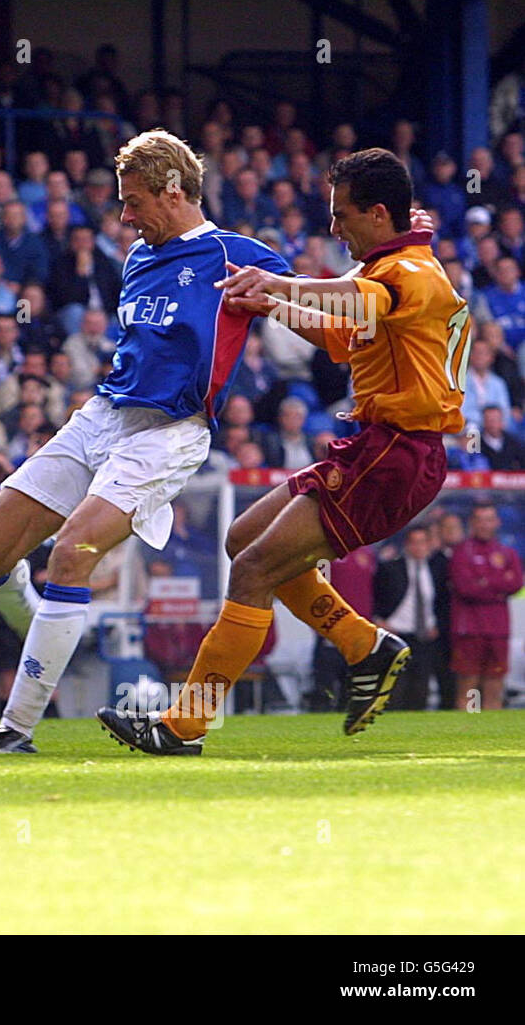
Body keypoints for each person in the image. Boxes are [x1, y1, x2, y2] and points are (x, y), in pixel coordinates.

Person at [99, 147, 464, 754]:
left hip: (396, 451)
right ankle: (361, 645)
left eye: (341, 214)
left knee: (251, 571)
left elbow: (356, 303)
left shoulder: (409, 275)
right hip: (377, 446)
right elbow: (343, 339)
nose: (333, 227)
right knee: (243, 539)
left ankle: (184, 725)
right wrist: (271, 306)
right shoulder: (394, 270)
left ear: (378, 213)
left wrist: (278, 281)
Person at [0, 129, 293, 754]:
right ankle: (48, 624)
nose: (124, 215)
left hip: (170, 433)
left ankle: (16, 728)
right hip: (103, 415)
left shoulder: (239, 256)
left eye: (132, 201)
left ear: (172, 191)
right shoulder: (138, 258)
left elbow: (317, 308)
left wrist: (384, 272)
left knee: (71, 555)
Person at [448, 503, 522, 711]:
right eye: (480, 519)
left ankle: (490, 730)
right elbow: (465, 588)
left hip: (498, 629)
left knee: (495, 681)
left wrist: (483, 581)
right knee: (469, 683)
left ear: (497, 522)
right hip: (469, 629)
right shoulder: (462, 551)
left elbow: (515, 583)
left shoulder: (507, 552)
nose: (484, 524)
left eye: (489, 519)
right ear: (472, 523)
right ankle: (469, 726)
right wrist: (498, 584)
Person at [373, 527, 448, 711]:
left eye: (422, 542)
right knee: (396, 687)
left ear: (429, 544)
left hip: (424, 636)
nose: (418, 547)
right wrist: (379, 619)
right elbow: (375, 595)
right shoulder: (391, 568)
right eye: (414, 542)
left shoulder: (436, 569)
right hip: (397, 634)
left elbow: (442, 601)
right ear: (406, 545)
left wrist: (438, 625)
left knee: (420, 687)